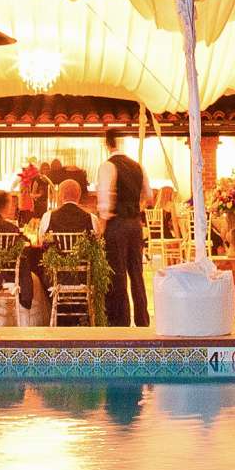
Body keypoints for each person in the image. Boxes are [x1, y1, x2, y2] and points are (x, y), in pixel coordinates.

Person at [95, 130, 149, 327]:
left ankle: (121, 321)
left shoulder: (108, 166)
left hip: (117, 225)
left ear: (107, 144)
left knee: (117, 274)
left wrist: (101, 229)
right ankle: (143, 320)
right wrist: (135, 210)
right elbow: (147, 195)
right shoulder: (138, 166)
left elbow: (104, 203)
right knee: (137, 273)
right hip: (135, 224)